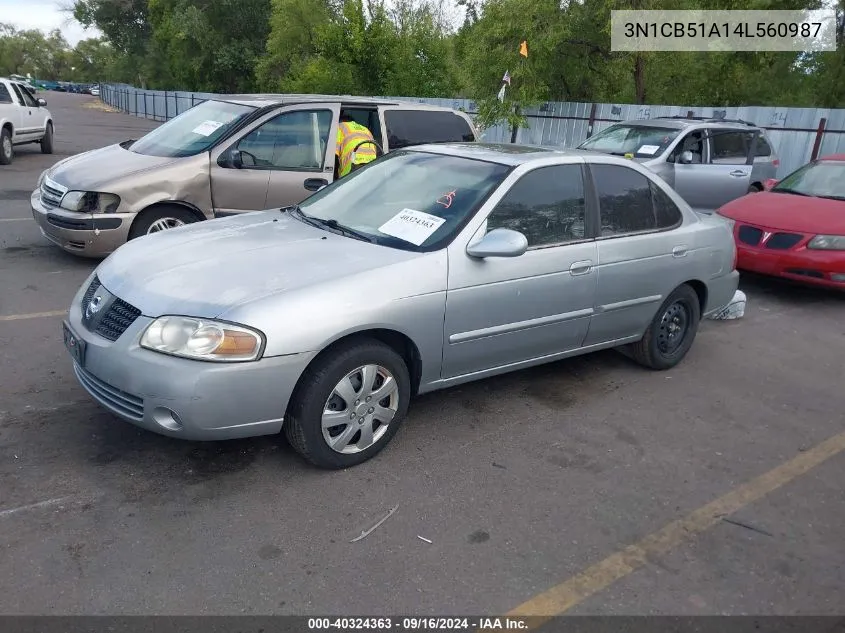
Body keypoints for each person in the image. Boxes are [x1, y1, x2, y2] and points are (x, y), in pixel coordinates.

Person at [335, 111, 378, 178]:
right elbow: (374, 148)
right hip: (372, 166)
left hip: (353, 166)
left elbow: (333, 155)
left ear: (341, 121)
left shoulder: (340, 127)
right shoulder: (365, 129)